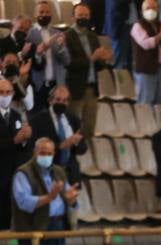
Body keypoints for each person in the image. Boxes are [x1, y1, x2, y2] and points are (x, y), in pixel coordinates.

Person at [12, 136, 79, 245]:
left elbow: (68, 195)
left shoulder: (59, 172)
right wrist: (49, 198)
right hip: (35, 228)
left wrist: (71, 200)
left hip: (58, 228)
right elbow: (23, 202)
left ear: (54, 154)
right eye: (42, 153)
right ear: (34, 152)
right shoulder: (23, 173)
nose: (46, 157)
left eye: (49, 154)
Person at [65, 3, 112, 139]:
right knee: (73, 127)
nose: (83, 18)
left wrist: (104, 59)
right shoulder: (68, 36)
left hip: (92, 88)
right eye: (80, 15)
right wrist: (92, 58)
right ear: (73, 16)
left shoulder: (92, 36)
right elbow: (70, 63)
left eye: (86, 15)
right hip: (75, 89)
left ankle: (88, 156)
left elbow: (98, 64)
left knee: (89, 128)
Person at [30, 85, 87, 187]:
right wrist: (61, 145)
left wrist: (76, 142)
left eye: (65, 100)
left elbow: (83, 149)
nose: (61, 103)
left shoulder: (74, 119)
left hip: (70, 174)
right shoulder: (38, 120)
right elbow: (33, 147)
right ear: (50, 100)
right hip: (48, 172)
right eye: (58, 99)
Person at [26, 1, 70, 111]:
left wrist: (62, 48)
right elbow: (28, 60)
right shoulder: (30, 34)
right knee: (39, 118)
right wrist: (39, 53)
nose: (44, 14)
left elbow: (67, 61)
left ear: (51, 14)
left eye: (47, 12)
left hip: (57, 85)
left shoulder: (58, 33)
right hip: (39, 85)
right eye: (41, 12)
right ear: (35, 14)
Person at [0, 76, 31, 230]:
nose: (5, 96)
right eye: (1, 92)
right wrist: (15, 141)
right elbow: (13, 141)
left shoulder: (16, 115)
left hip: (13, 171)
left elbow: (22, 147)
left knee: (10, 214)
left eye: (8, 92)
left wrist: (25, 138)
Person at [130, 0, 161, 105]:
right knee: (146, 100)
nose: (151, 11)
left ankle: (158, 121)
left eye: (154, 8)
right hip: (145, 69)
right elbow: (146, 44)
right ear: (142, 11)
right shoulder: (137, 26)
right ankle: (144, 121)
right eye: (148, 8)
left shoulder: (159, 25)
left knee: (160, 101)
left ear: (158, 10)